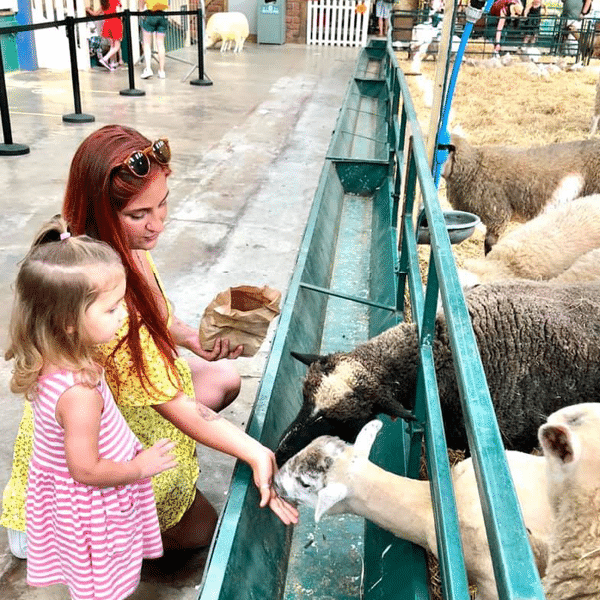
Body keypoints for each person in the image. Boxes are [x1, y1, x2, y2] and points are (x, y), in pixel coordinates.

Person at [1, 124, 298, 560]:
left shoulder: (108, 251)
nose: (157, 224)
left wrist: (197, 340)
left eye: (162, 205)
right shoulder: (109, 308)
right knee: (202, 533)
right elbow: (180, 405)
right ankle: (92, 540)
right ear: (103, 210)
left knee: (222, 377)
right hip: (94, 440)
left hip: (116, 399)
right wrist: (255, 452)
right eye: (140, 214)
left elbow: (162, 316)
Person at [7, 217, 177, 599]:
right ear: (68, 322)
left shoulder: (58, 359)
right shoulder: (77, 394)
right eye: (113, 309)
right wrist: (139, 467)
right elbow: (84, 469)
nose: (125, 314)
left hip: (82, 498)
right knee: (106, 585)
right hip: (95, 507)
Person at [87, 0, 124, 71]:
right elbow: (120, 13)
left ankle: (112, 63)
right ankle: (105, 59)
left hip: (107, 24)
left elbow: (95, 14)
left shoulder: (104, 3)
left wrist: (88, 9)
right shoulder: (115, 1)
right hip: (116, 22)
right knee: (117, 46)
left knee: (112, 45)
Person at [139, 0, 168, 79]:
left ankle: (148, 69)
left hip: (150, 15)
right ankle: (162, 71)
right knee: (161, 44)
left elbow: (141, 4)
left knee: (147, 43)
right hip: (163, 15)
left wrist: (141, 13)